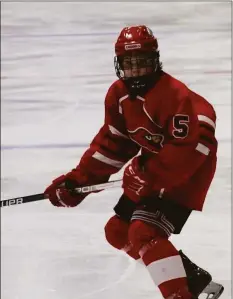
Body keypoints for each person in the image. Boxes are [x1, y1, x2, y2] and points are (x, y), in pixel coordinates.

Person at [44, 25, 224, 299]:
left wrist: (151, 175)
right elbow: (112, 144)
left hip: (190, 166)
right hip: (153, 165)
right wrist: (78, 181)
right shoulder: (118, 96)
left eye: (143, 62)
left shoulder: (173, 95)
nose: (137, 71)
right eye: (130, 64)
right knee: (117, 231)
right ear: (119, 64)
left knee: (143, 230)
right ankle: (193, 282)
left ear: (155, 61)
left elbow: (192, 145)